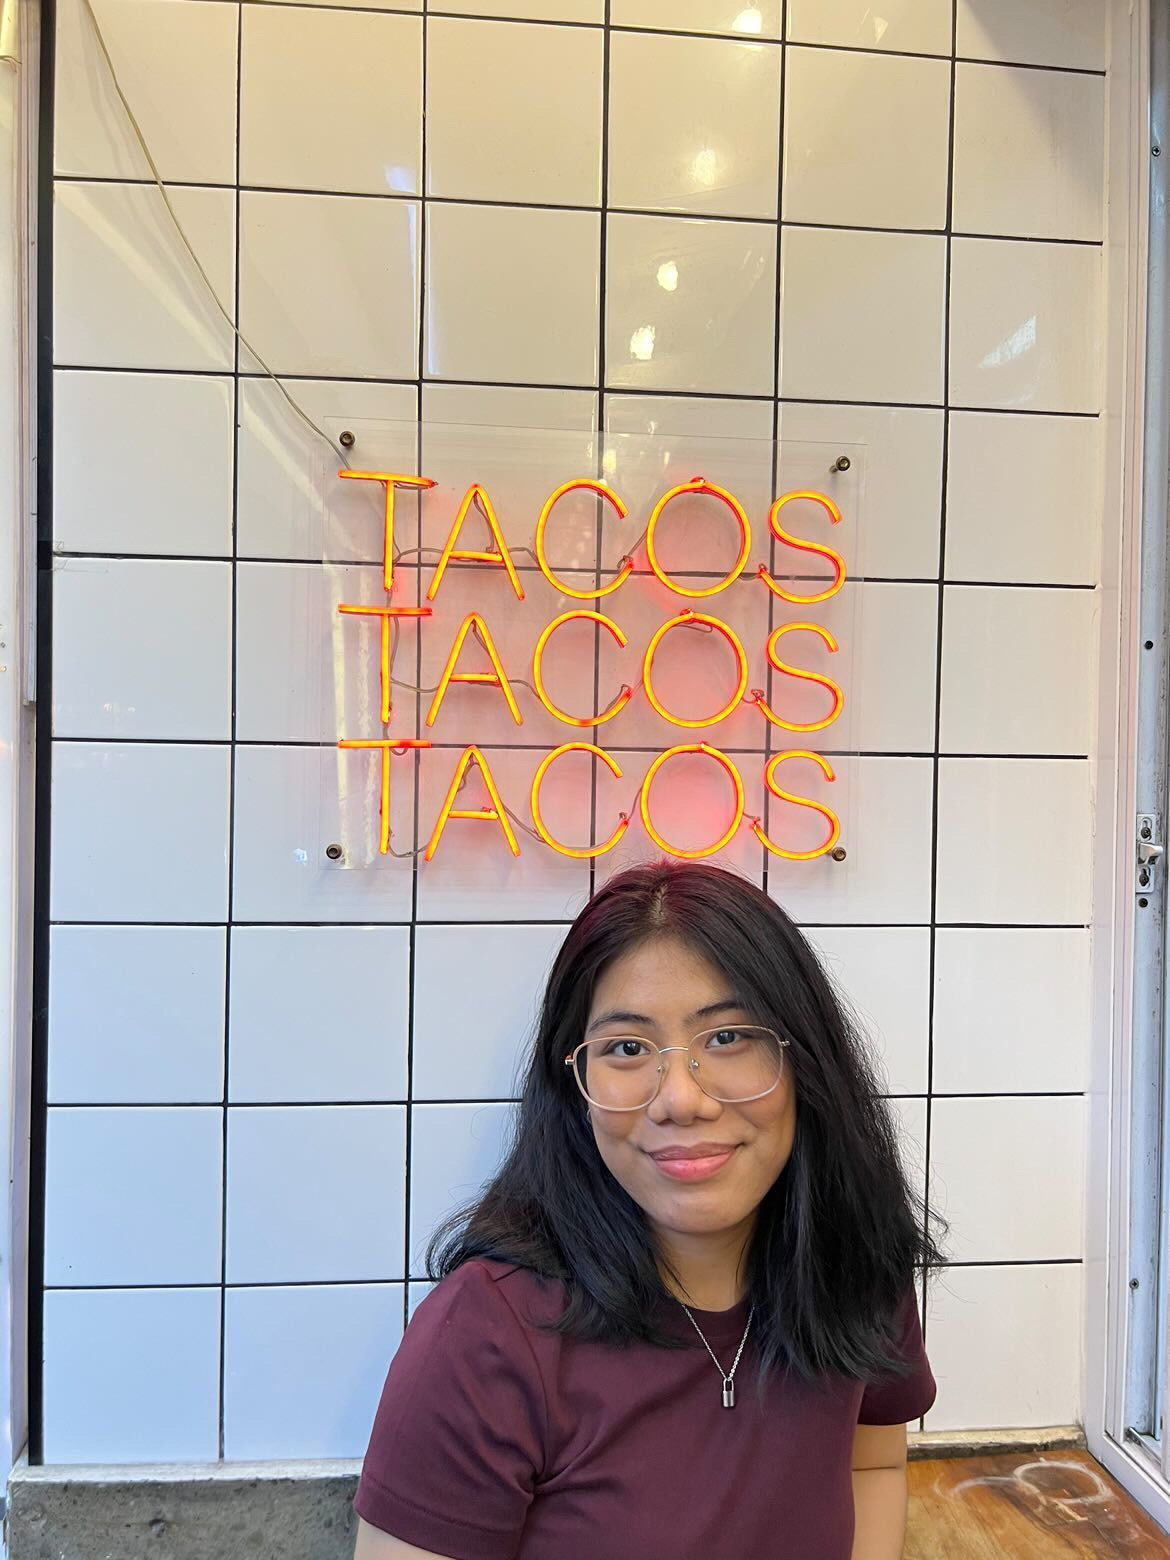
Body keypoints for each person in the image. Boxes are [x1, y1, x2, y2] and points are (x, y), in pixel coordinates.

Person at [353, 860, 944, 1560]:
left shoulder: (852, 1263)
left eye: (727, 1037)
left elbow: (871, 1465)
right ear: (575, 1084)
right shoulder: (485, 1336)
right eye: (628, 1048)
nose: (681, 1100)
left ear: (805, 1060)